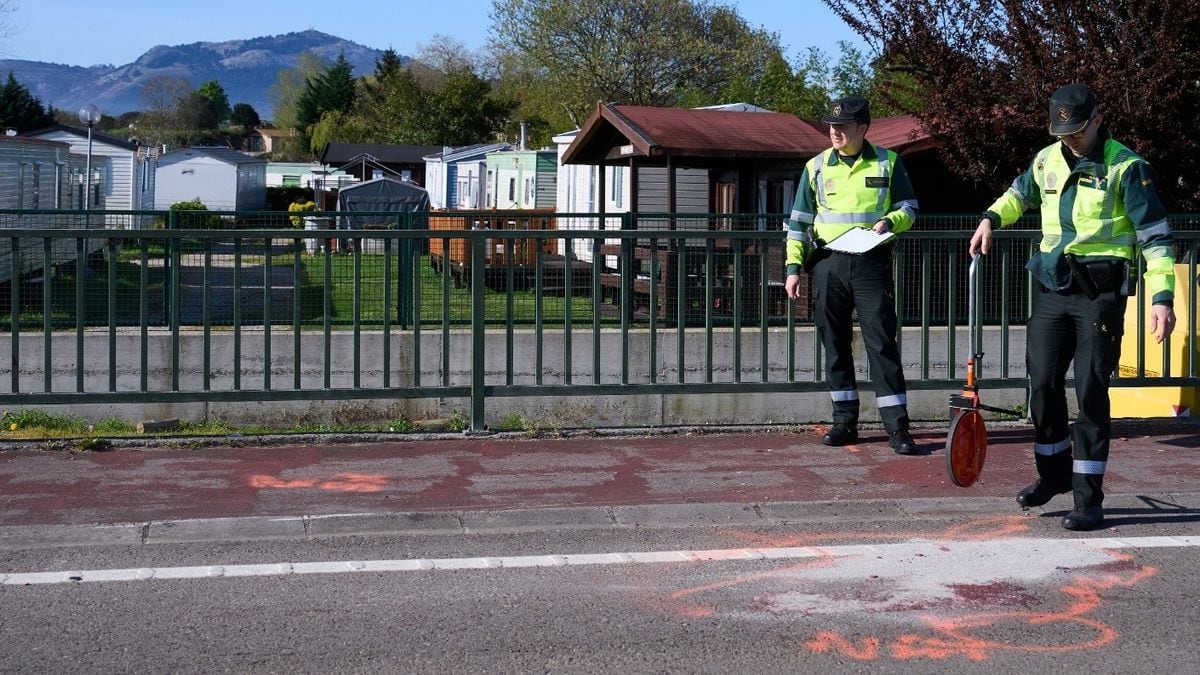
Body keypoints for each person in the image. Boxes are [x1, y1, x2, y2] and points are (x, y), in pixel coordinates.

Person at [969, 83, 1176, 531]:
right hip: (1051, 287)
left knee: (1090, 394)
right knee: (1041, 385)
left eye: (1078, 131)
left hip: (1098, 296)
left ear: (1097, 119)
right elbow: (1018, 194)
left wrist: (1162, 298)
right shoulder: (1046, 158)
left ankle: (1088, 498)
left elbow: (1156, 237)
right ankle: (1054, 476)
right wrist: (989, 218)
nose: (1070, 139)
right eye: (1063, 132)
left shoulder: (1127, 167)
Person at [785, 96, 919, 455]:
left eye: (843, 126)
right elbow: (798, 223)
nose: (835, 131)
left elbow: (909, 207)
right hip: (828, 262)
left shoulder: (889, 162)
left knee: (881, 344)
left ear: (863, 128)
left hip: (871, 263)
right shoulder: (815, 167)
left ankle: (897, 428)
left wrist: (891, 221)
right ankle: (844, 421)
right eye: (831, 125)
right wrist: (793, 268)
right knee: (835, 345)